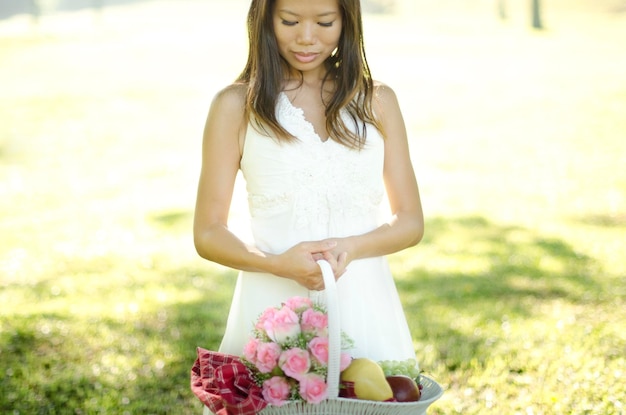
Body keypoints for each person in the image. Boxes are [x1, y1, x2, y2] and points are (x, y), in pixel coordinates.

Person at [193, 0, 423, 383]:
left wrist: (351, 247)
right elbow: (207, 232)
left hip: (366, 305)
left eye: (324, 22)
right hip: (271, 311)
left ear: (347, 21)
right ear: (265, 18)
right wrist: (277, 263)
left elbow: (411, 221)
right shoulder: (235, 105)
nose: (306, 37)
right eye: (290, 20)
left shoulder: (378, 101)